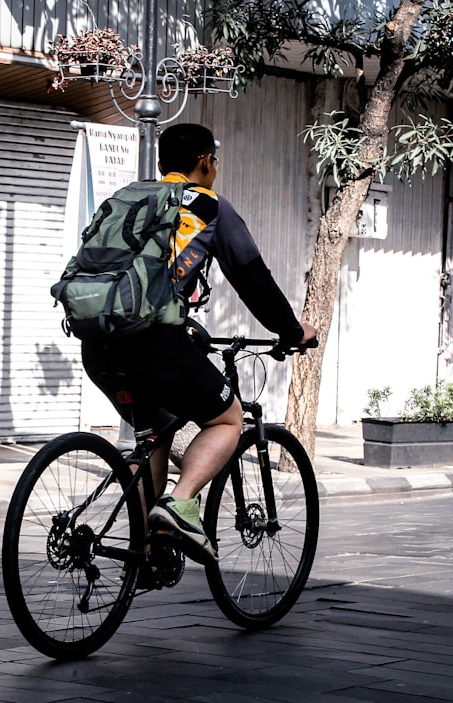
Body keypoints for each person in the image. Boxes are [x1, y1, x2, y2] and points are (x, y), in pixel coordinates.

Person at [80, 122, 317, 564]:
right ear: (206, 161)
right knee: (227, 419)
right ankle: (181, 502)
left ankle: (145, 555)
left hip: (97, 343)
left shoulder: (130, 198)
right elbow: (253, 280)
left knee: (154, 432)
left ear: (160, 164)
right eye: (214, 160)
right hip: (152, 343)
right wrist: (291, 330)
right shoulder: (209, 205)